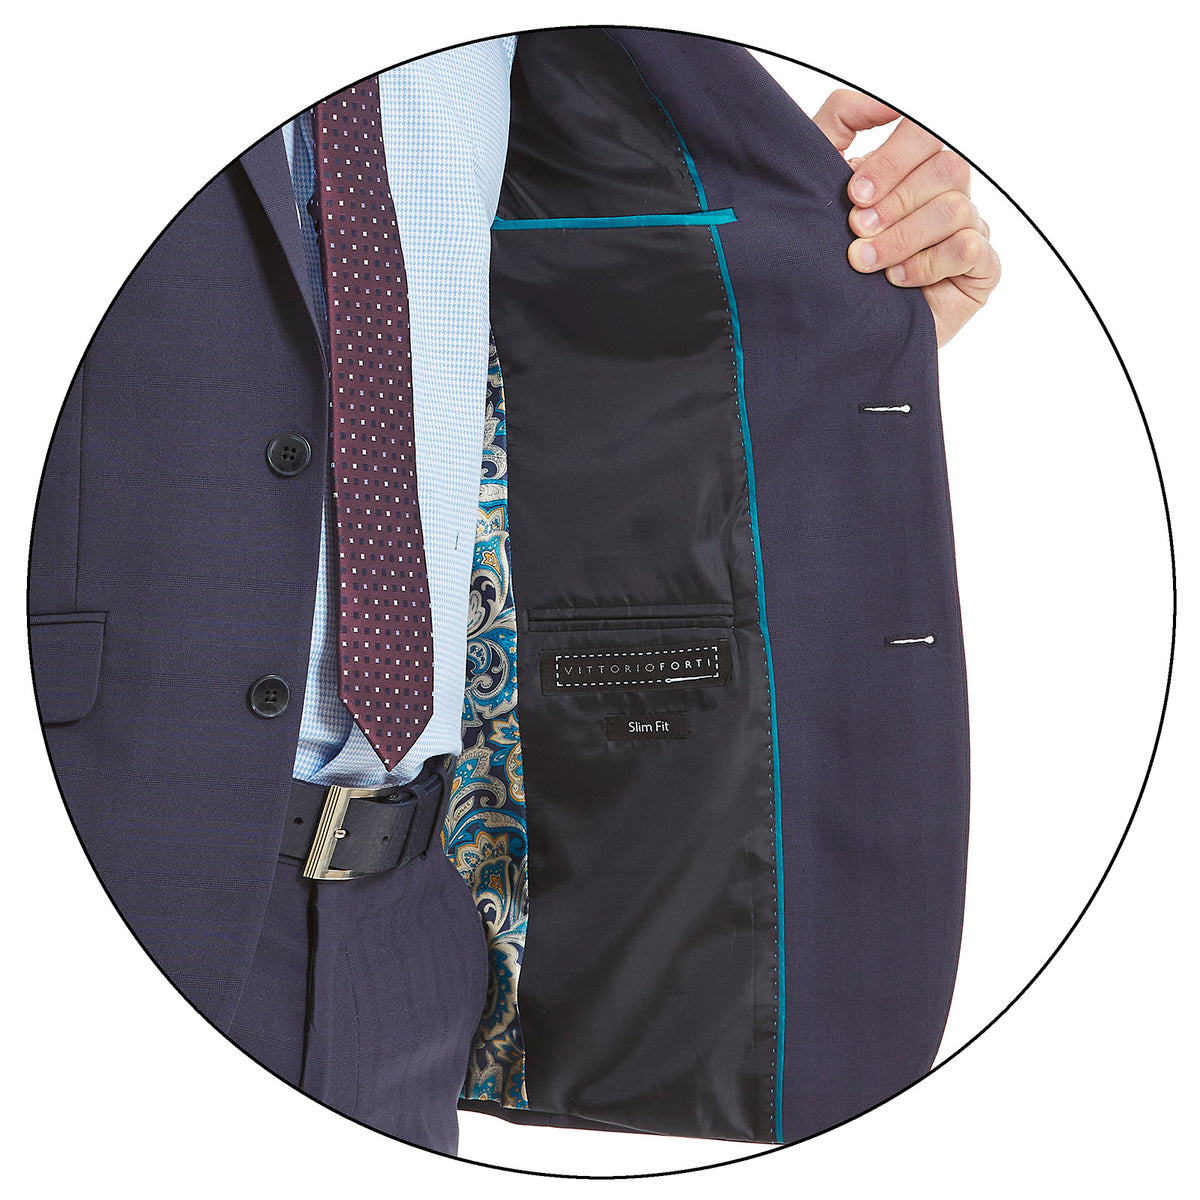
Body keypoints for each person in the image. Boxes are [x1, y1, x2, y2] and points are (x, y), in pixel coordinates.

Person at [29, 28, 999, 1157]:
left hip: (402, 938)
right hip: (97, 859)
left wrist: (810, 299)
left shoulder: (515, 47)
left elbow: (544, 343)